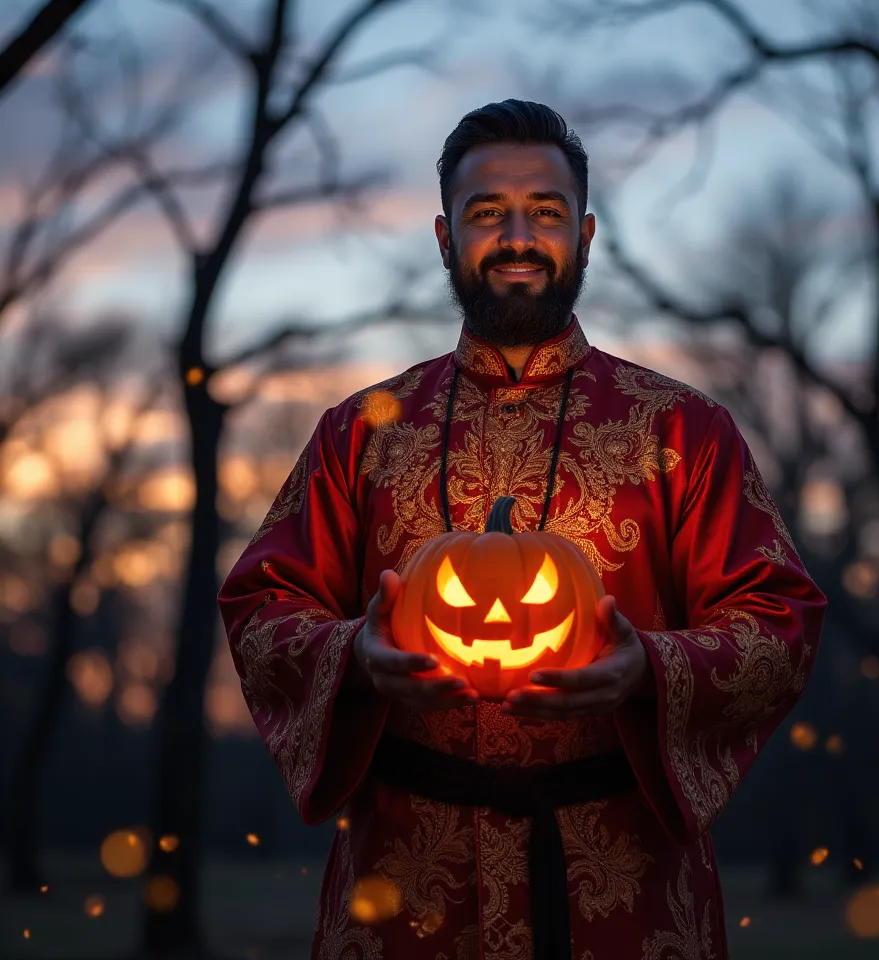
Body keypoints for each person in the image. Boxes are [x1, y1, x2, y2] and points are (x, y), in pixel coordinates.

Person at [218, 99, 827, 960]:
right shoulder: (361, 432)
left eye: (543, 212)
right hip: (404, 892)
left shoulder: (681, 431)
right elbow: (258, 603)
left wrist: (648, 667)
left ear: (584, 235)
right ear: (443, 237)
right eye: (485, 213)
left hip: (625, 893)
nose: (516, 236)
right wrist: (354, 654)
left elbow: (781, 622)